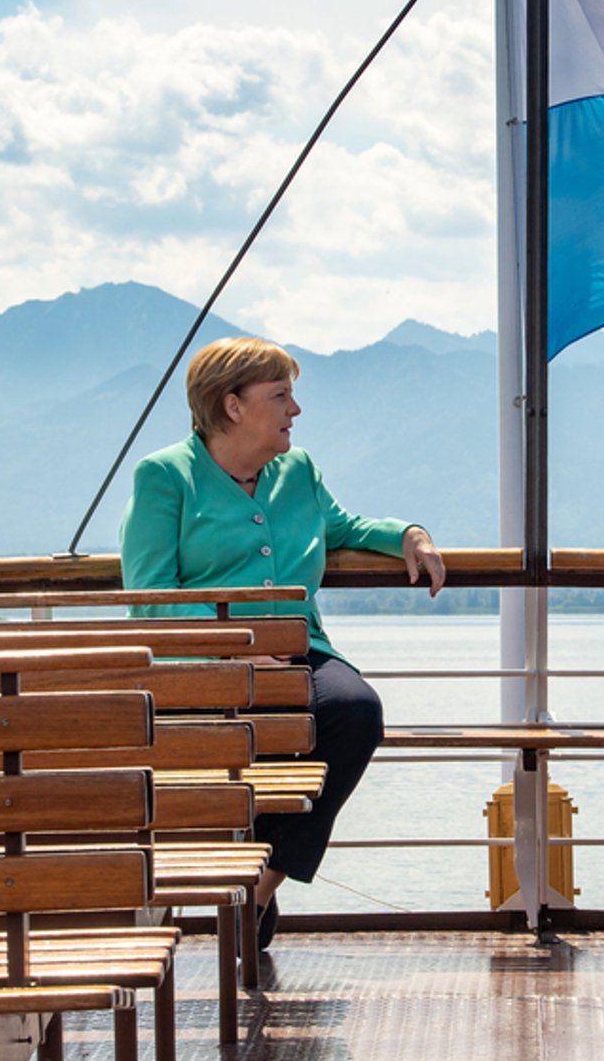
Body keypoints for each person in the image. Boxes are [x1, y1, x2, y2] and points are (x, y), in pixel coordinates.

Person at [119, 336, 446, 950]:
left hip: (298, 647)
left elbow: (344, 526)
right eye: (281, 396)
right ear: (234, 405)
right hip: (206, 662)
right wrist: (230, 650)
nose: (295, 410)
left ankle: (260, 886)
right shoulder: (165, 476)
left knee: (353, 712)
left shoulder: (298, 471)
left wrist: (409, 534)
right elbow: (150, 599)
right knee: (266, 731)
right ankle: (242, 888)